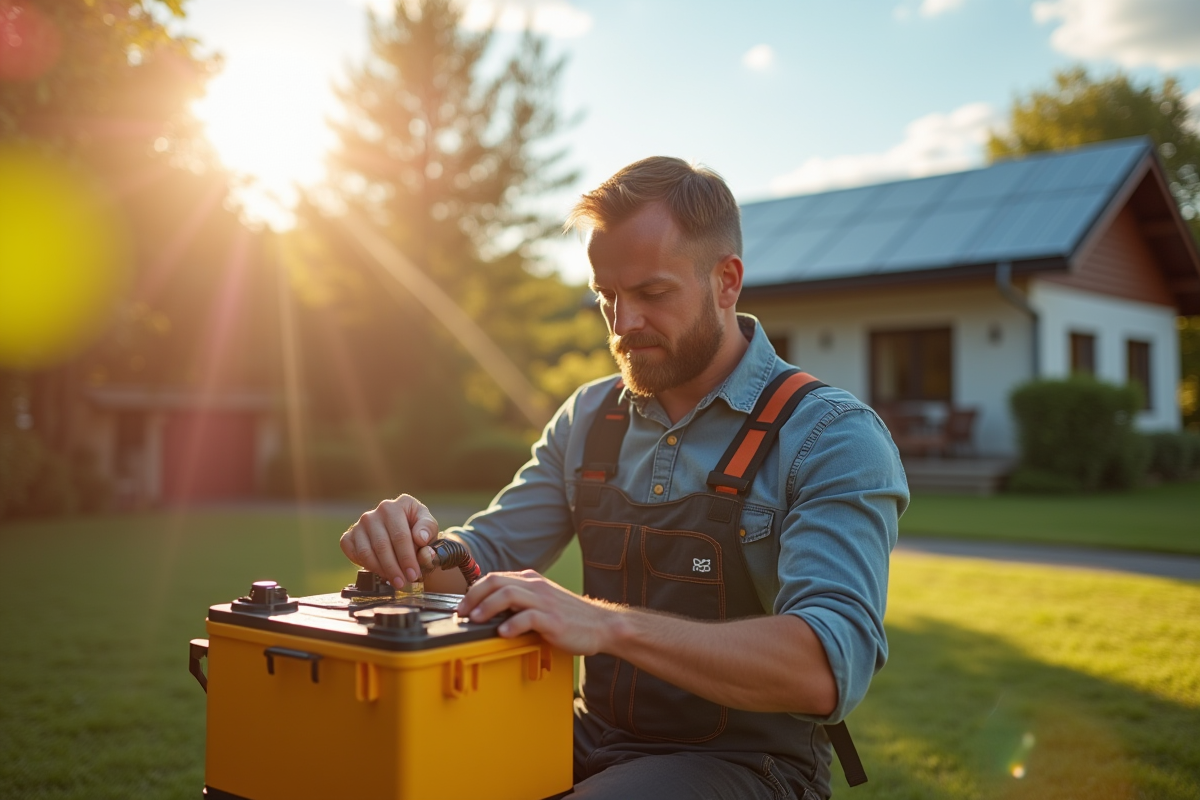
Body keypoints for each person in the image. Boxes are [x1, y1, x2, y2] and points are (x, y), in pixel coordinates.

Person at [340, 157, 908, 799]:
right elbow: (481, 559)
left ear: (727, 281)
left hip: (755, 767)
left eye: (652, 294)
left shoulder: (830, 436)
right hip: (588, 738)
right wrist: (412, 547)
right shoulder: (588, 417)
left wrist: (606, 624)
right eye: (606, 297)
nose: (622, 324)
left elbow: (828, 668)